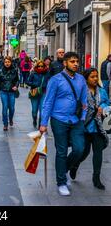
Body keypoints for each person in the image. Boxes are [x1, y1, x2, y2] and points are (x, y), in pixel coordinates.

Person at [40, 52, 87, 196]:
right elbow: (48, 102)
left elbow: (84, 101)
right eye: (72, 61)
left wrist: (83, 118)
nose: (76, 64)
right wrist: (43, 123)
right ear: (65, 63)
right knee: (61, 151)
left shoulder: (81, 80)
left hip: (76, 120)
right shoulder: (55, 80)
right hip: (58, 119)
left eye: (77, 61)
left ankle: (63, 170)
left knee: (79, 149)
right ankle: (61, 182)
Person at [68, 67, 110, 190]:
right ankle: (74, 165)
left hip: (98, 128)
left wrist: (102, 106)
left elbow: (107, 102)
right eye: (92, 76)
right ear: (86, 78)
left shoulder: (102, 91)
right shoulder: (81, 91)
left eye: (96, 76)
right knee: (84, 152)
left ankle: (96, 178)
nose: (95, 79)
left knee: (98, 153)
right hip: (84, 127)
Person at [0, 56, 19, 130]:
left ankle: (10, 119)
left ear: (11, 62)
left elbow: (17, 80)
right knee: (5, 108)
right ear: (3, 63)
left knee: (12, 108)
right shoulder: (0, 71)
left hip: (12, 92)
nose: (7, 63)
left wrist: (16, 86)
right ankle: (5, 124)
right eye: (5, 62)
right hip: (3, 92)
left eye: (8, 62)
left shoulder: (14, 70)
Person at [27, 59, 50, 128]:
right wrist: (35, 84)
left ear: (44, 66)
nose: (40, 67)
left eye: (42, 66)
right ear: (37, 66)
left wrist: (46, 85)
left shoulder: (47, 73)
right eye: (39, 66)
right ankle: (34, 119)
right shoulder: (33, 73)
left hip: (43, 93)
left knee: (42, 110)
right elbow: (27, 81)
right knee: (34, 111)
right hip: (34, 93)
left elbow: (51, 82)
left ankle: (40, 125)